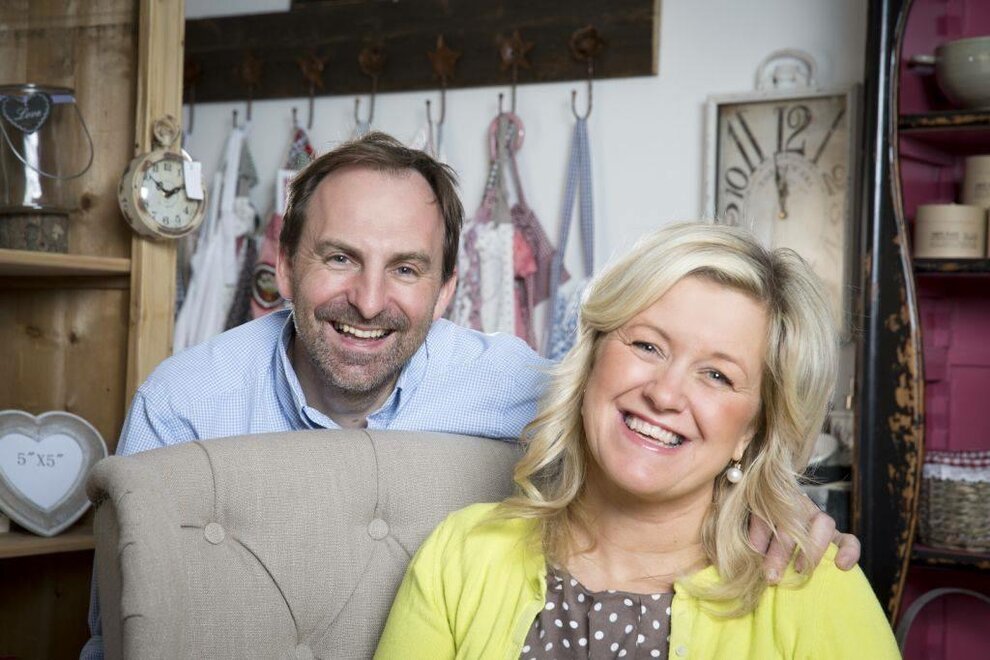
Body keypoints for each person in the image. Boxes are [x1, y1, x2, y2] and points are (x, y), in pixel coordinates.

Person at [82, 135, 859, 657]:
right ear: (282, 267)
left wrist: (777, 508)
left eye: (407, 269)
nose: (369, 300)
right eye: (340, 258)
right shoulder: (183, 403)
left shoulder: (519, 386)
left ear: (449, 289)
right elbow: (120, 622)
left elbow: (657, 429)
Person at [375, 222, 898, 659]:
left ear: (751, 431)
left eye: (717, 375)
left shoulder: (814, 585)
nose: (665, 394)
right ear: (592, 357)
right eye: (648, 346)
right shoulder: (461, 555)